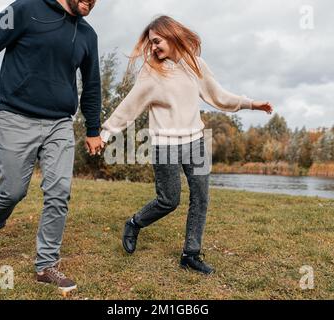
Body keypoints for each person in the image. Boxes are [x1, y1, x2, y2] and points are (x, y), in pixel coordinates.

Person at [0, 0, 102, 293]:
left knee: (59, 191)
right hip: (16, 117)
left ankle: (46, 265)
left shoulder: (87, 35)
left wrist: (93, 129)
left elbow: (92, 84)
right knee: (13, 189)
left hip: (59, 123)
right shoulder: (26, 9)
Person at [100, 15, 273, 275]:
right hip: (164, 144)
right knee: (168, 200)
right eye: (151, 44)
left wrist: (251, 104)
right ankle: (134, 223)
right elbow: (130, 105)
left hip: (196, 142)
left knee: (201, 197)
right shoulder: (152, 71)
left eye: (157, 41)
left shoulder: (196, 65)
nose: (154, 48)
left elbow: (219, 96)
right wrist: (105, 133)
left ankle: (190, 254)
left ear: (172, 34)